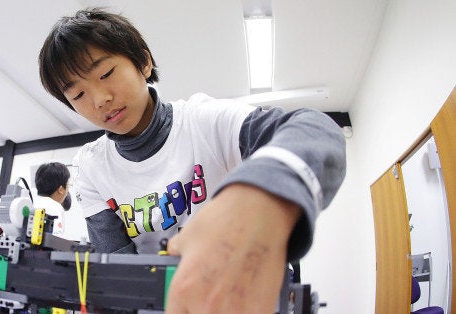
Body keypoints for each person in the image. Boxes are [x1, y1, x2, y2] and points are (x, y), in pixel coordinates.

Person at [38, 8, 346, 313]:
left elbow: (315, 130)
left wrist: (260, 196)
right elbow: (117, 270)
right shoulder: (91, 167)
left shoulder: (204, 121)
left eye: (106, 74)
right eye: (78, 95)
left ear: (143, 62)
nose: (99, 99)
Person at [34, 162, 71, 237]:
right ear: (61, 189)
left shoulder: (33, 203)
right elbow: (56, 241)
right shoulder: (55, 207)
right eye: (68, 185)